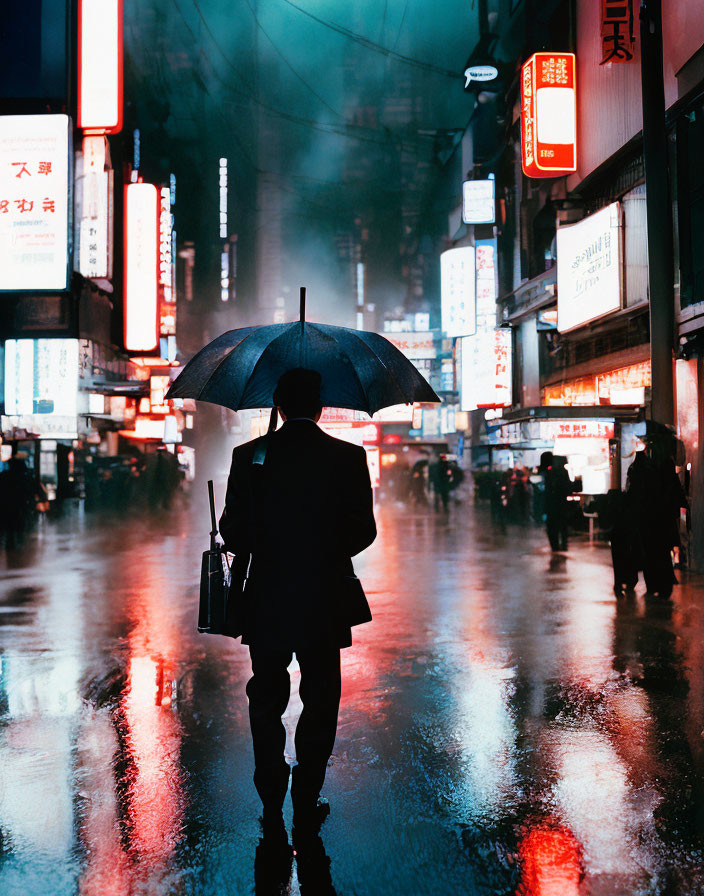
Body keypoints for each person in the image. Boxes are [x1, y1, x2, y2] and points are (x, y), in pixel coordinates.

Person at [219, 368, 377, 836]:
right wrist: (321, 548)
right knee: (322, 695)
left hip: (266, 594)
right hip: (324, 596)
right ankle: (307, 792)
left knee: (266, 694)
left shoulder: (250, 456)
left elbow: (233, 532)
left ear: (279, 406)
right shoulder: (347, 456)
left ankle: (271, 792)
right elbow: (362, 530)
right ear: (321, 406)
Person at [540, 452, 571, 552]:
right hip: (561, 504)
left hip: (551, 505)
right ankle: (563, 545)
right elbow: (568, 488)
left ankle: (555, 547)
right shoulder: (562, 472)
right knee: (562, 526)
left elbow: (546, 490)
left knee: (552, 527)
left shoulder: (548, 473)